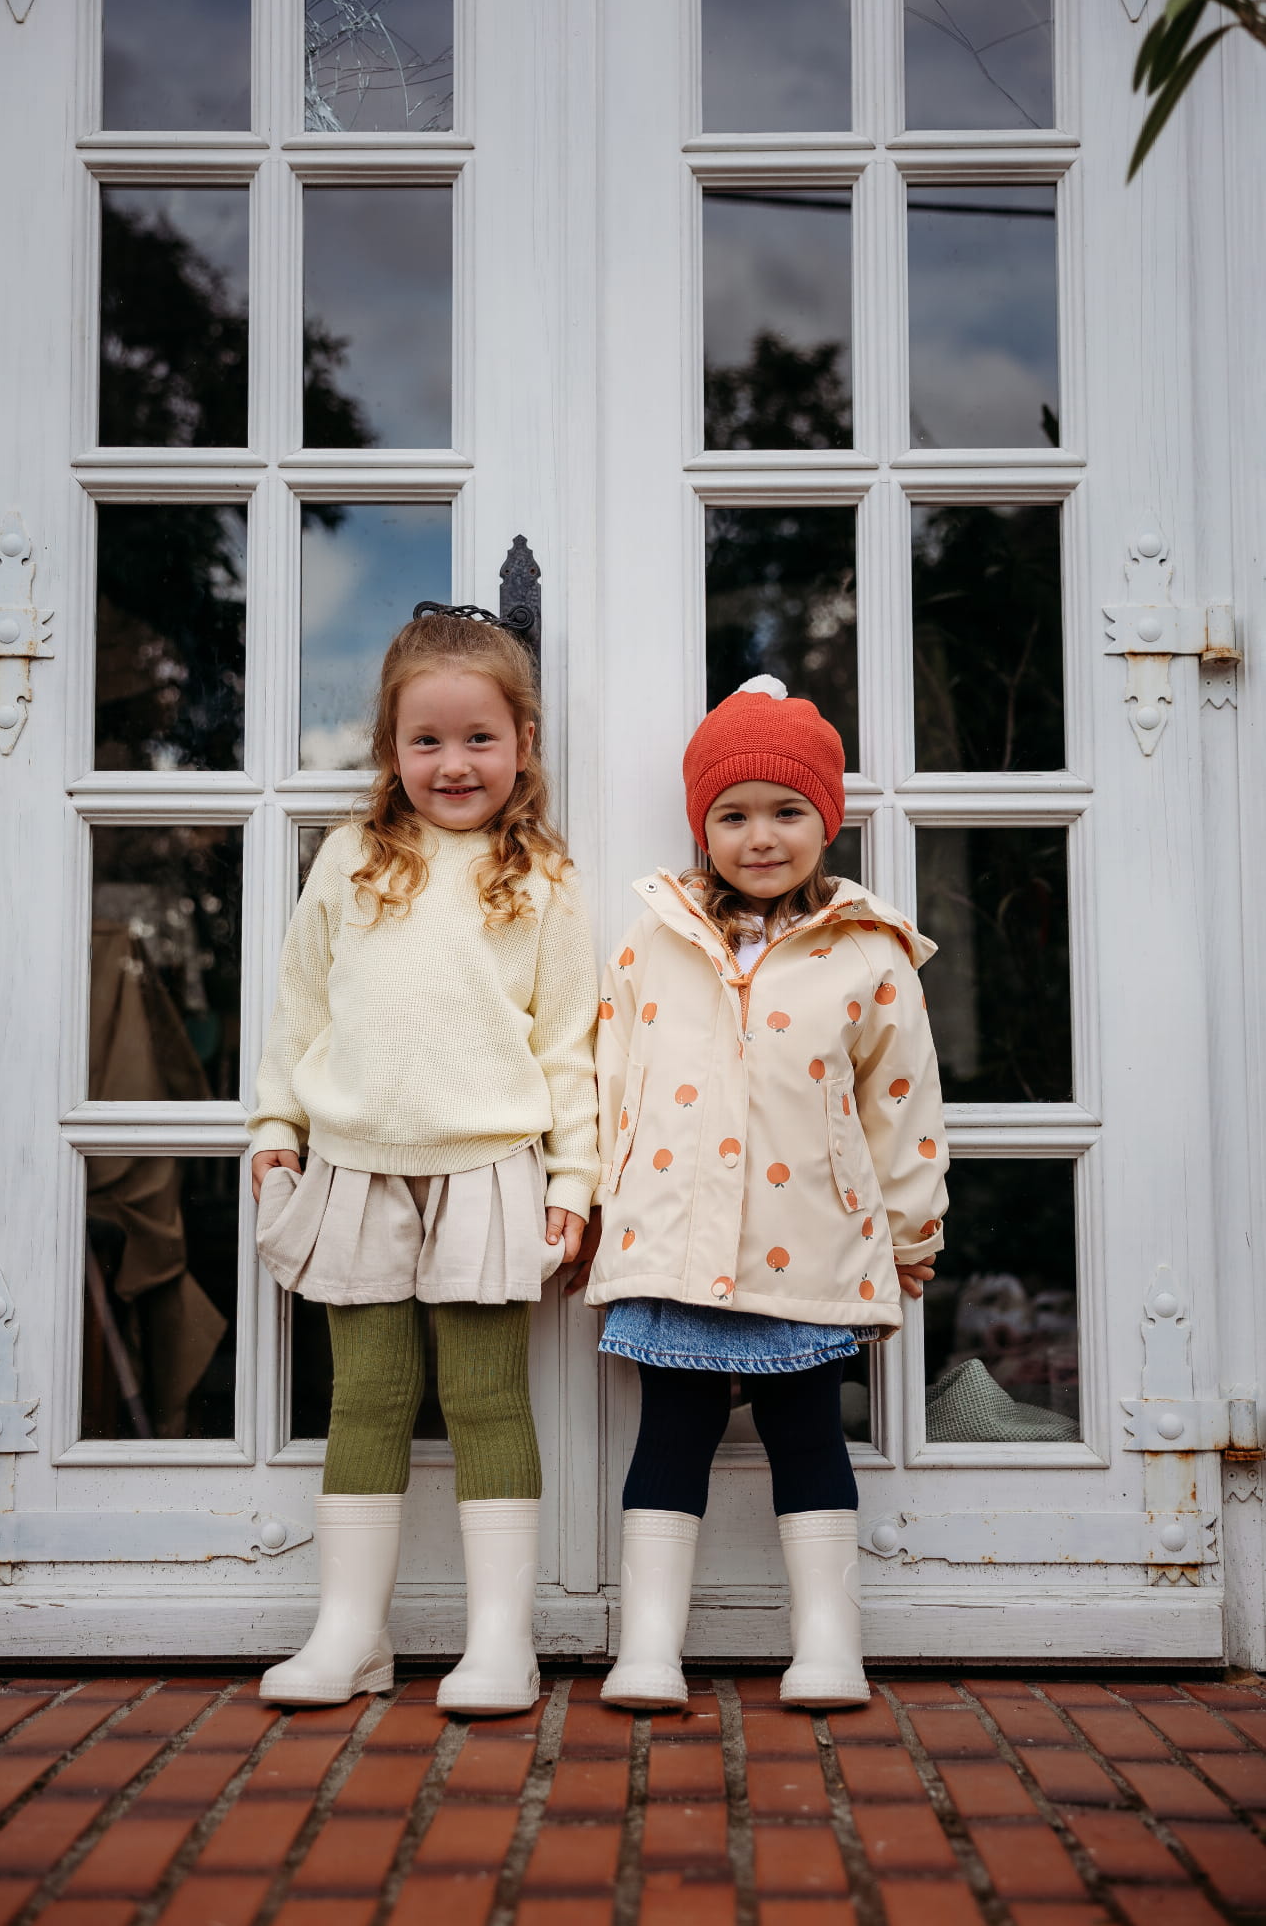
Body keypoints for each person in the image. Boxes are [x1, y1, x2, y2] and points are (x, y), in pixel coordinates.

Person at [248, 609, 599, 1713]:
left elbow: (570, 1044)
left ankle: (501, 1643)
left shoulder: (541, 876)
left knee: (486, 1396)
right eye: (427, 740)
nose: (454, 763)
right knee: (366, 1397)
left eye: (480, 738)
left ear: (523, 743)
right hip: (354, 1163)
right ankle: (350, 1633)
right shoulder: (351, 858)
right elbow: (299, 1005)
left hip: (490, 1167)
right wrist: (274, 1128)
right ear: (389, 747)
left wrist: (574, 1181)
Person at [583, 675, 948, 1709]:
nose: (760, 837)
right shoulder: (653, 939)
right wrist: (598, 1205)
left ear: (826, 820)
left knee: (807, 1433)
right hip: (672, 1239)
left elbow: (902, 1104)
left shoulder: (869, 953)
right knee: (672, 1432)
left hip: (809, 1239)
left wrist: (911, 1228)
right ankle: (648, 1646)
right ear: (702, 828)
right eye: (732, 814)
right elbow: (610, 1079)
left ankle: (829, 1643)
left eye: (786, 811)